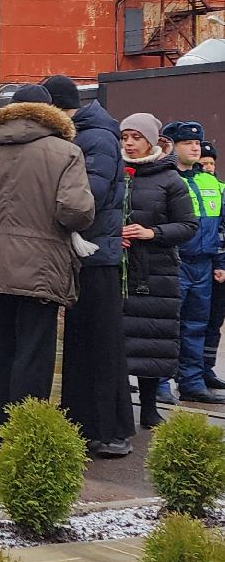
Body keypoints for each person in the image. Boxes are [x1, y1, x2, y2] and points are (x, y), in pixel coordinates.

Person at [0, 84, 94, 456]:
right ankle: (24, 440)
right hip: (43, 267)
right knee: (35, 353)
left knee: (2, 351)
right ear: (50, 113)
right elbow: (75, 211)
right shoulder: (67, 152)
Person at [44, 75, 133, 458]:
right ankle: (89, 424)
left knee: (99, 342)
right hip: (92, 252)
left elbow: (88, 195)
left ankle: (106, 429)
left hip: (97, 254)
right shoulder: (89, 134)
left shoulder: (94, 137)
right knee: (86, 342)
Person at [120, 113, 198, 430]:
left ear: (151, 140)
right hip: (118, 269)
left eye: (136, 137)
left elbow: (187, 226)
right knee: (118, 340)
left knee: (151, 339)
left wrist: (152, 234)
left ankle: (150, 406)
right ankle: (119, 408)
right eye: (124, 137)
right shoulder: (114, 173)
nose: (128, 143)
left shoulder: (169, 179)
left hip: (156, 272)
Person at [164, 121, 225, 405]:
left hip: (203, 263)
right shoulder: (165, 178)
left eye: (197, 143)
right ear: (172, 146)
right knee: (167, 325)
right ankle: (161, 384)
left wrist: (219, 261)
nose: (195, 147)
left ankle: (192, 382)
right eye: (188, 143)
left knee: (196, 325)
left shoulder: (210, 181)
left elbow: (221, 225)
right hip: (174, 260)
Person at [202, 141, 225, 389]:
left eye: (211, 163)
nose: (207, 167)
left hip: (218, 264)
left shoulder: (220, 189)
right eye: (204, 163)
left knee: (213, 321)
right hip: (199, 263)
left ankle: (206, 368)